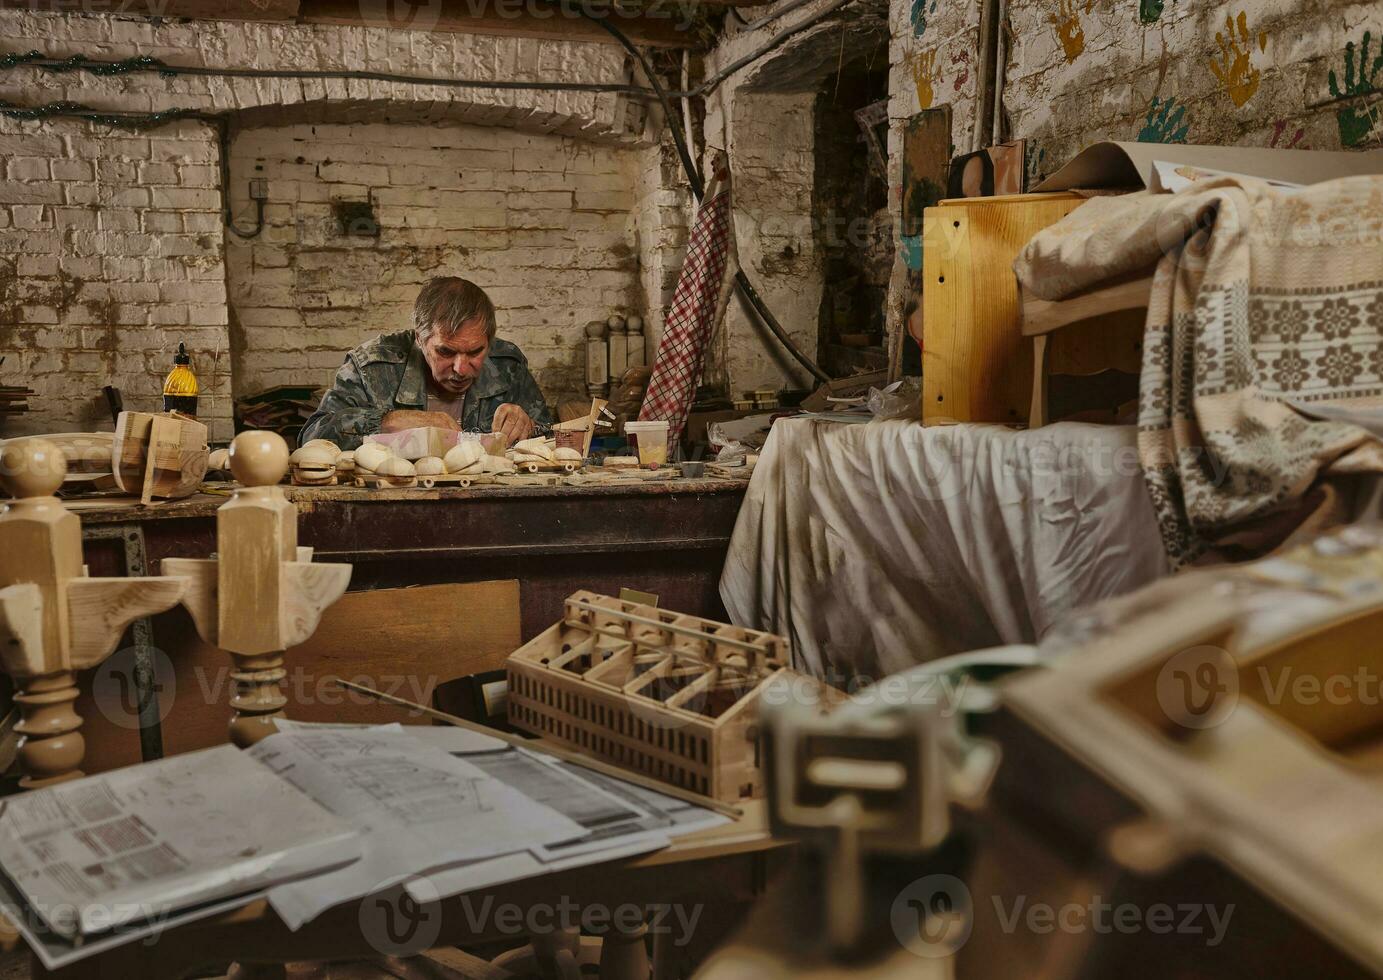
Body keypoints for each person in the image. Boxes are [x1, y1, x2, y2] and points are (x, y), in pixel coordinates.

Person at [300, 277, 553, 450]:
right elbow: (312, 437)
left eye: (475, 351)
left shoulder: (508, 364)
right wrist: (391, 421)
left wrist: (529, 427)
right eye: (445, 351)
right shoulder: (371, 368)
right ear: (419, 339)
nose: (461, 369)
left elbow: (554, 437)